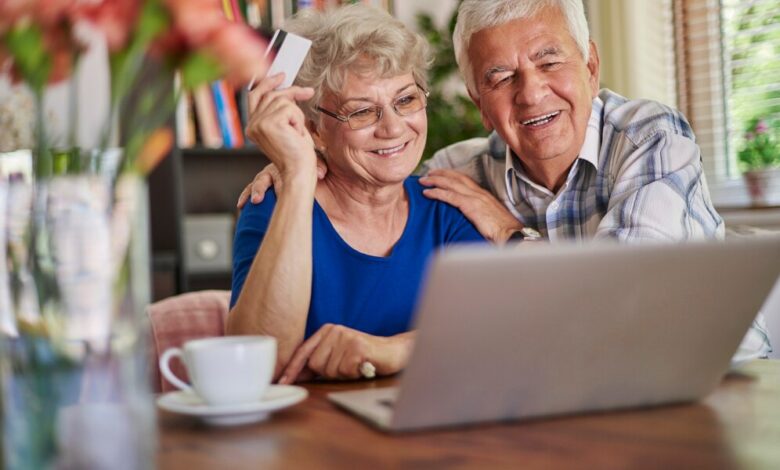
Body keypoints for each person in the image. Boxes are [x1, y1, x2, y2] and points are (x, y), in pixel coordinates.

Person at [238, 0, 771, 356]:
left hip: (723, 379)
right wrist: (298, 164)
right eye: (501, 77)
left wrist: (510, 233)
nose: (532, 92)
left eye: (549, 61)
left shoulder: (650, 139)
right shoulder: (455, 177)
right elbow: (374, 178)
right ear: (479, 104)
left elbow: (607, 315)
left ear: (590, 67)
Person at [227, 4, 485, 385]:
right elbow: (254, 367)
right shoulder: (272, 206)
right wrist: (297, 174)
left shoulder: (446, 207)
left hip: (427, 432)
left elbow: (494, 335)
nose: (393, 128)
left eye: (406, 100)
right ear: (314, 130)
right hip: (312, 438)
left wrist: (396, 349)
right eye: (362, 112)